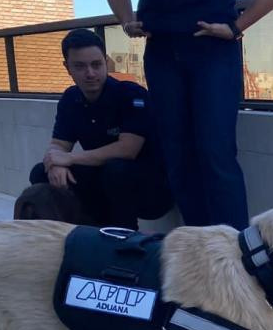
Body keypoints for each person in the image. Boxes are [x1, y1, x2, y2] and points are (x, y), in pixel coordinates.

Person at [107, 0, 273, 229]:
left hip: (213, 50)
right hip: (160, 51)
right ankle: (198, 247)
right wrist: (126, 20)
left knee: (215, 153)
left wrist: (236, 27)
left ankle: (235, 252)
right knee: (177, 157)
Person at [29, 28, 172, 229]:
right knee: (41, 173)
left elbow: (127, 150)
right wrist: (55, 162)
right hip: (104, 181)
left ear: (106, 61)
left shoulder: (131, 94)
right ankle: (76, 235)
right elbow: (58, 145)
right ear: (67, 67)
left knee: (116, 169)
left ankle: (124, 242)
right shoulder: (71, 99)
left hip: (152, 189)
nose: (90, 73)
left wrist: (69, 158)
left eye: (96, 65)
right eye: (80, 66)